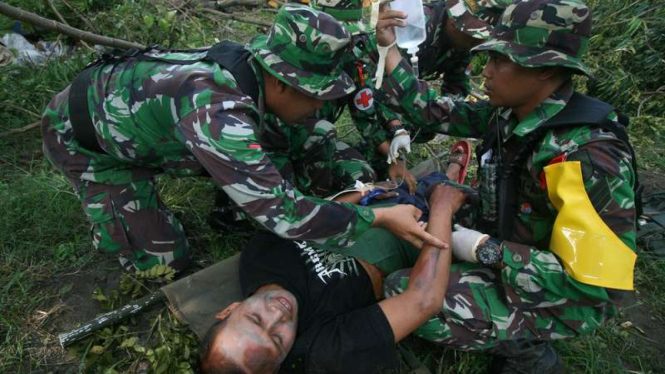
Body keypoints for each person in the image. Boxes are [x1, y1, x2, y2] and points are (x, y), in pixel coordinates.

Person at [41, 4, 443, 273]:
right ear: (285, 83)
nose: (320, 109)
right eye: (317, 98)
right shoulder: (218, 113)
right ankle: (114, 207)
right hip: (86, 141)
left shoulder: (255, 69)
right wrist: (376, 216)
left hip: (150, 122)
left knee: (306, 146)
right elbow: (285, 214)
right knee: (164, 263)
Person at [376, 0, 639, 372]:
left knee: (405, 291)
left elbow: (590, 284)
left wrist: (482, 248)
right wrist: (388, 47)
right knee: (420, 202)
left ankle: (528, 347)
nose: (486, 72)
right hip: (512, 230)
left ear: (546, 71)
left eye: (501, 60)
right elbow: (429, 110)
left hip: (560, 291)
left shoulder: (586, 156)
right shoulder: (512, 110)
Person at [199, 183, 467, 374]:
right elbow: (423, 300)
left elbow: (316, 216)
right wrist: (443, 207)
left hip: (382, 209)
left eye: (255, 319)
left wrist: (365, 191)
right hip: (431, 238)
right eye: (278, 340)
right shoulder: (321, 350)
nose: (277, 316)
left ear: (230, 310)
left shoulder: (260, 255)